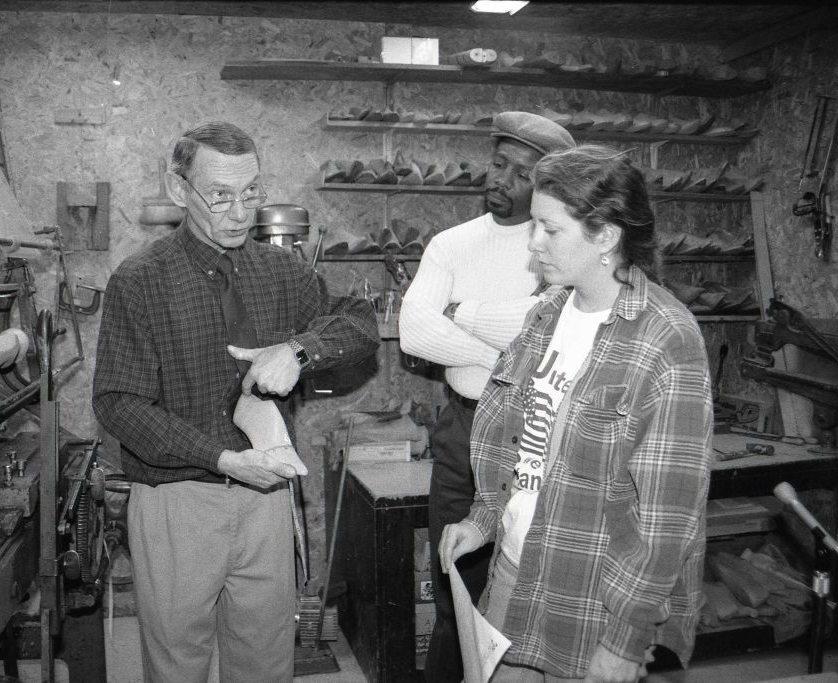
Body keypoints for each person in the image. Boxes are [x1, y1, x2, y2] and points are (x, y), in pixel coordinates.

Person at [92, 121, 380, 683]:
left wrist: (300, 350)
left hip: (267, 499)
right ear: (179, 190)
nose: (240, 212)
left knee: (265, 662)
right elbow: (118, 403)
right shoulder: (140, 280)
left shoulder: (282, 271)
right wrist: (223, 459)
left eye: (251, 193)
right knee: (178, 664)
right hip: (178, 502)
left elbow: (361, 323)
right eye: (220, 196)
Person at [439, 145, 714, 683]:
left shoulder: (666, 339)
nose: (533, 243)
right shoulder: (546, 312)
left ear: (605, 236)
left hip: (594, 600)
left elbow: (668, 516)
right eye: (533, 225)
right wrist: (483, 519)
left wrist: (626, 641)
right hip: (516, 574)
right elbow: (520, 447)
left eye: (550, 229)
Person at [399, 111, 575, 683]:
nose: (503, 179)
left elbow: (549, 323)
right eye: (499, 164)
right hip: (465, 429)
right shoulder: (452, 244)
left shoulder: (560, 246)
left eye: (523, 174)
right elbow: (415, 333)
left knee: (533, 588)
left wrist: (462, 313)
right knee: (458, 587)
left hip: (542, 429)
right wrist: (503, 360)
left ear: (546, 187)